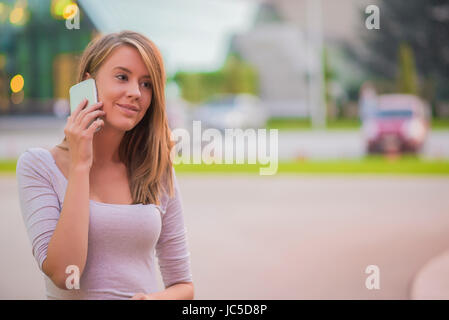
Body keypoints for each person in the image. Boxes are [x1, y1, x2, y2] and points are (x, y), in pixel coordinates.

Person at [15, 30, 194, 300]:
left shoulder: (157, 169)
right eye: (122, 77)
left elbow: (184, 287)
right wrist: (80, 166)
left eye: (146, 84)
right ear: (88, 84)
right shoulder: (39, 166)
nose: (135, 92)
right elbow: (65, 274)